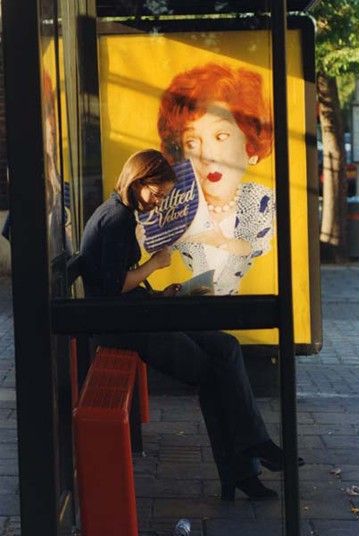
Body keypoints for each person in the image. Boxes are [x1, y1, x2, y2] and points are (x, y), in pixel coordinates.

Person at [80, 149, 300, 502]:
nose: (157, 203)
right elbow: (113, 286)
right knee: (213, 374)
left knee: (225, 347)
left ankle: (251, 451)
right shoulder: (117, 219)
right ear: (137, 181)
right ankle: (246, 462)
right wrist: (154, 264)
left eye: (164, 196)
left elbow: (118, 283)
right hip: (125, 325)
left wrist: (159, 291)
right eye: (156, 194)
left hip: (137, 313)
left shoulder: (118, 212)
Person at [157, 63, 275, 295]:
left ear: (250, 143)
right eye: (191, 142)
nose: (207, 156)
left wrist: (222, 242)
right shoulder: (171, 206)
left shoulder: (265, 205)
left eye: (221, 136)